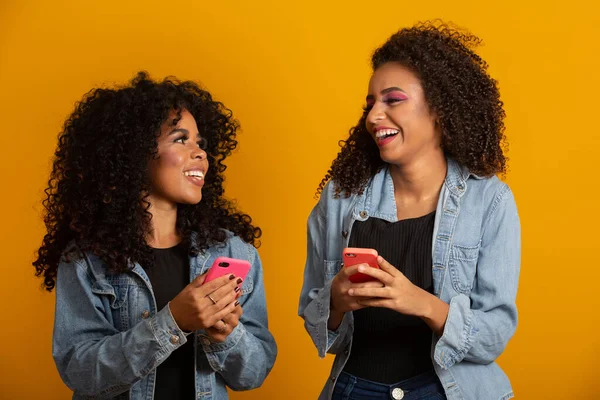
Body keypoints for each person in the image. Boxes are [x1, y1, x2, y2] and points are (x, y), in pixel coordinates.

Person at [299, 22, 520, 400]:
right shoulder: (339, 197)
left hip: (448, 390)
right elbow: (319, 326)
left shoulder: (490, 202)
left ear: (439, 108)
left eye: (393, 100)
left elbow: (494, 334)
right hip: (354, 390)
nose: (373, 117)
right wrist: (334, 301)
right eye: (370, 104)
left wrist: (422, 303)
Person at [33, 72, 277, 399]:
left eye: (200, 143)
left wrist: (226, 336)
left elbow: (254, 373)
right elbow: (80, 371)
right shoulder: (86, 259)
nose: (201, 153)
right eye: (180, 139)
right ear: (134, 153)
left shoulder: (235, 252)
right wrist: (173, 321)